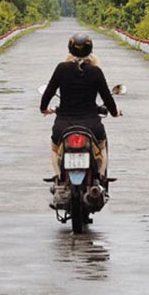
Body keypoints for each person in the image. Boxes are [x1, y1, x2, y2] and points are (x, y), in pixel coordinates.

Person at [40, 33, 119, 193]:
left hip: (64, 124)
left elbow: (48, 93)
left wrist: (44, 109)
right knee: (102, 146)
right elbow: (107, 97)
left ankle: (59, 179)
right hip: (91, 124)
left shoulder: (61, 69)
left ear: (70, 48)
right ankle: (99, 180)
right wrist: (115, 112)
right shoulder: (96, 71)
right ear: (90, 49)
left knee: (55, 149)